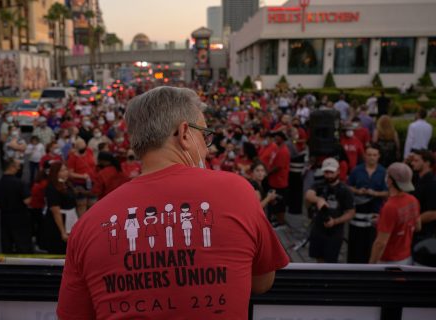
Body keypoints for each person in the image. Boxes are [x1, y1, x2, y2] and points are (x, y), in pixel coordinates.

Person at [57, 86, 289, 320]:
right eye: (205, 135)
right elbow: (262, 281)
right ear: (185, 133)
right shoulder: (238, 192)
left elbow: (73, 315)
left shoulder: (89, 223)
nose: (207, 149)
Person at [305, 158, 356, 263]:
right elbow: (308, 195)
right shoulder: (318, 184)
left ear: (338, 171)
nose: (329, 175)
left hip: (334, 231)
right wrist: (319, 199)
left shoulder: (345, 190)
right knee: (318, 258)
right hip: (318, 227)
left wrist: (335, 221)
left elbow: (351, 213)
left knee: (331, 261)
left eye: (331, 172)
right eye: (326, 172)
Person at [369, 163, 421, 264]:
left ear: (390, 180)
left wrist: (371, 265)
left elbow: (380, 243)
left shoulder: (390, 207)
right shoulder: (413, 200)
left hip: (389, 261)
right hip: (407, 257)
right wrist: (382, 221)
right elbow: (418, 227)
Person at [347, 146, 388, 263]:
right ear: (365, 156)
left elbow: (388, 192)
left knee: (370, 242)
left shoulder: (383, 172)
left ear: (378, 156)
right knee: (355, 242)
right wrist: (358, 191)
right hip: (358, 212)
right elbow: (348, 186)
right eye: (369, 155)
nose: (371, 158)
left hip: (374, 212)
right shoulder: (356, 170)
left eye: (374, 155)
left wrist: (375, 193)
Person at [0, 158, 33, 253]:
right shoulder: (19, 183)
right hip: (20, 217)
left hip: (5, 217)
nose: (19, 168)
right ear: (12, 167)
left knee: (7, 242)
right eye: (18, 166)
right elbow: (27, 201)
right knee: (22, 243)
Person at [40, 162, 77, 254]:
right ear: (56, 173)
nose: (66, 172)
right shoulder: (52, 188)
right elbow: (55, 210)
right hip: (59, 221)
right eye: (62, 170)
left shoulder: (67, 184)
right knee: (60, 246)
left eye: (66, 169)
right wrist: (63, 231)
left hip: (70, 217)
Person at [410, 149, 436, 245]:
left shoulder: (432, 183)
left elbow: (433, 213)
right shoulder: (415, 178)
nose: (412, 163)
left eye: (416, 161)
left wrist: (411, 223)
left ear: (427, 163)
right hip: (413, 232)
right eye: (412, 160)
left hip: (425, 234)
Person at [67, 138, 97, 217]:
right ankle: (82, 224)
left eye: (84, 147)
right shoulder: (72, 158)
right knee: (82, 205)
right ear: (76, 148)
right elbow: (70, 173)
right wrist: (82, 176)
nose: (84, 150)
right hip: (79, 183)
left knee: (93, 204)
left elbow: (93, 163)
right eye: (81, 149)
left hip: (92, 181)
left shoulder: (89, 151)